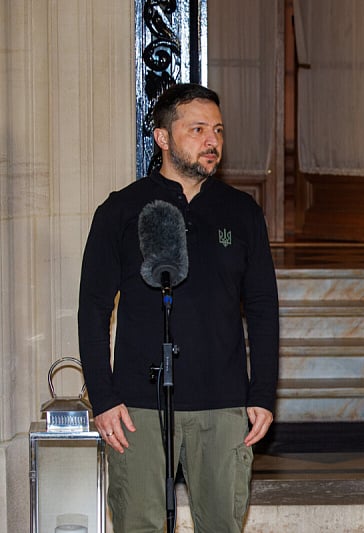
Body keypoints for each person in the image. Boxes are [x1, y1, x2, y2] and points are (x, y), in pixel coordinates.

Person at [78, 83, 279, 532]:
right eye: (199, 129)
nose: (213, 142)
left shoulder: (242, 212)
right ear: (163, 138)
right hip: (138, 410)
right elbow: (92, 309)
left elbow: (263, 307)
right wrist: (104, 398)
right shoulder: (121, 211)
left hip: (223, 405)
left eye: (219, 130)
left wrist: (263, 393)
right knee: (140, 524)